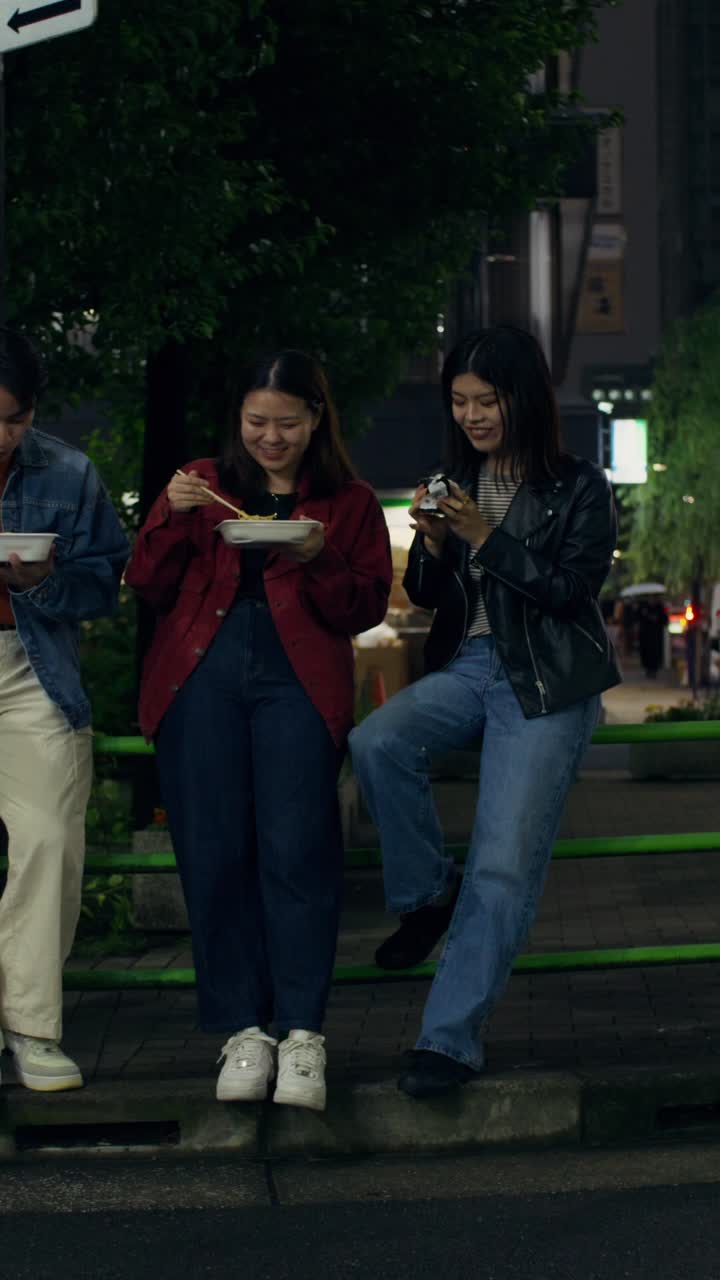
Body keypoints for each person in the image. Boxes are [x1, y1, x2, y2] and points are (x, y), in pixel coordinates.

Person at [350, 325, 622, 1098]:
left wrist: (484, 535)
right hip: (470, 667)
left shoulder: (579, 485)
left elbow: (571, 593)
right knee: (377, 741)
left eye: (487, 400)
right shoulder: (452, 478)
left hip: (547, 680)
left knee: (502, 864)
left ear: (524, 397)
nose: (472, 416)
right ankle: (426, 895)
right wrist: (433, 545)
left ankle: (448, 1039)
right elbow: (435, 599)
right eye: (460, 401)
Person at [125, 350, 392, 1112]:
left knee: (299, 850)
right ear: (237, 420)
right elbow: (144, 584)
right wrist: (174, 515)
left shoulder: (351, 501)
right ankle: (242, 1029)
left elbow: (363, 608)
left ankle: (303, 1033)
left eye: (286, 422)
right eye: (256, 422)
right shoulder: (202, 483)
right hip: (198, 676)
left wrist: (320, 555)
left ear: (316, 421)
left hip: (298, 682)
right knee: (213, 851)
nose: (269, 437)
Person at [0, 328, 129, 1091]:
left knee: (49, 838)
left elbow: (104, 581)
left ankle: (32, 1028)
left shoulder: (68, 471)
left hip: (31, 666)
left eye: (12, 419)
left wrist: (34, 585)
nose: (1, 435)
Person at [636, 596, 668, 678]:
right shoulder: (643, 607)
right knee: (646, 652)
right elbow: (638, 618)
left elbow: (664, 620)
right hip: (645, 635)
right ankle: (647, 669)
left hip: (656, 635)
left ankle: (654, 670)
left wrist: (656, 619)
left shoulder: (659, 607)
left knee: (655, 653)